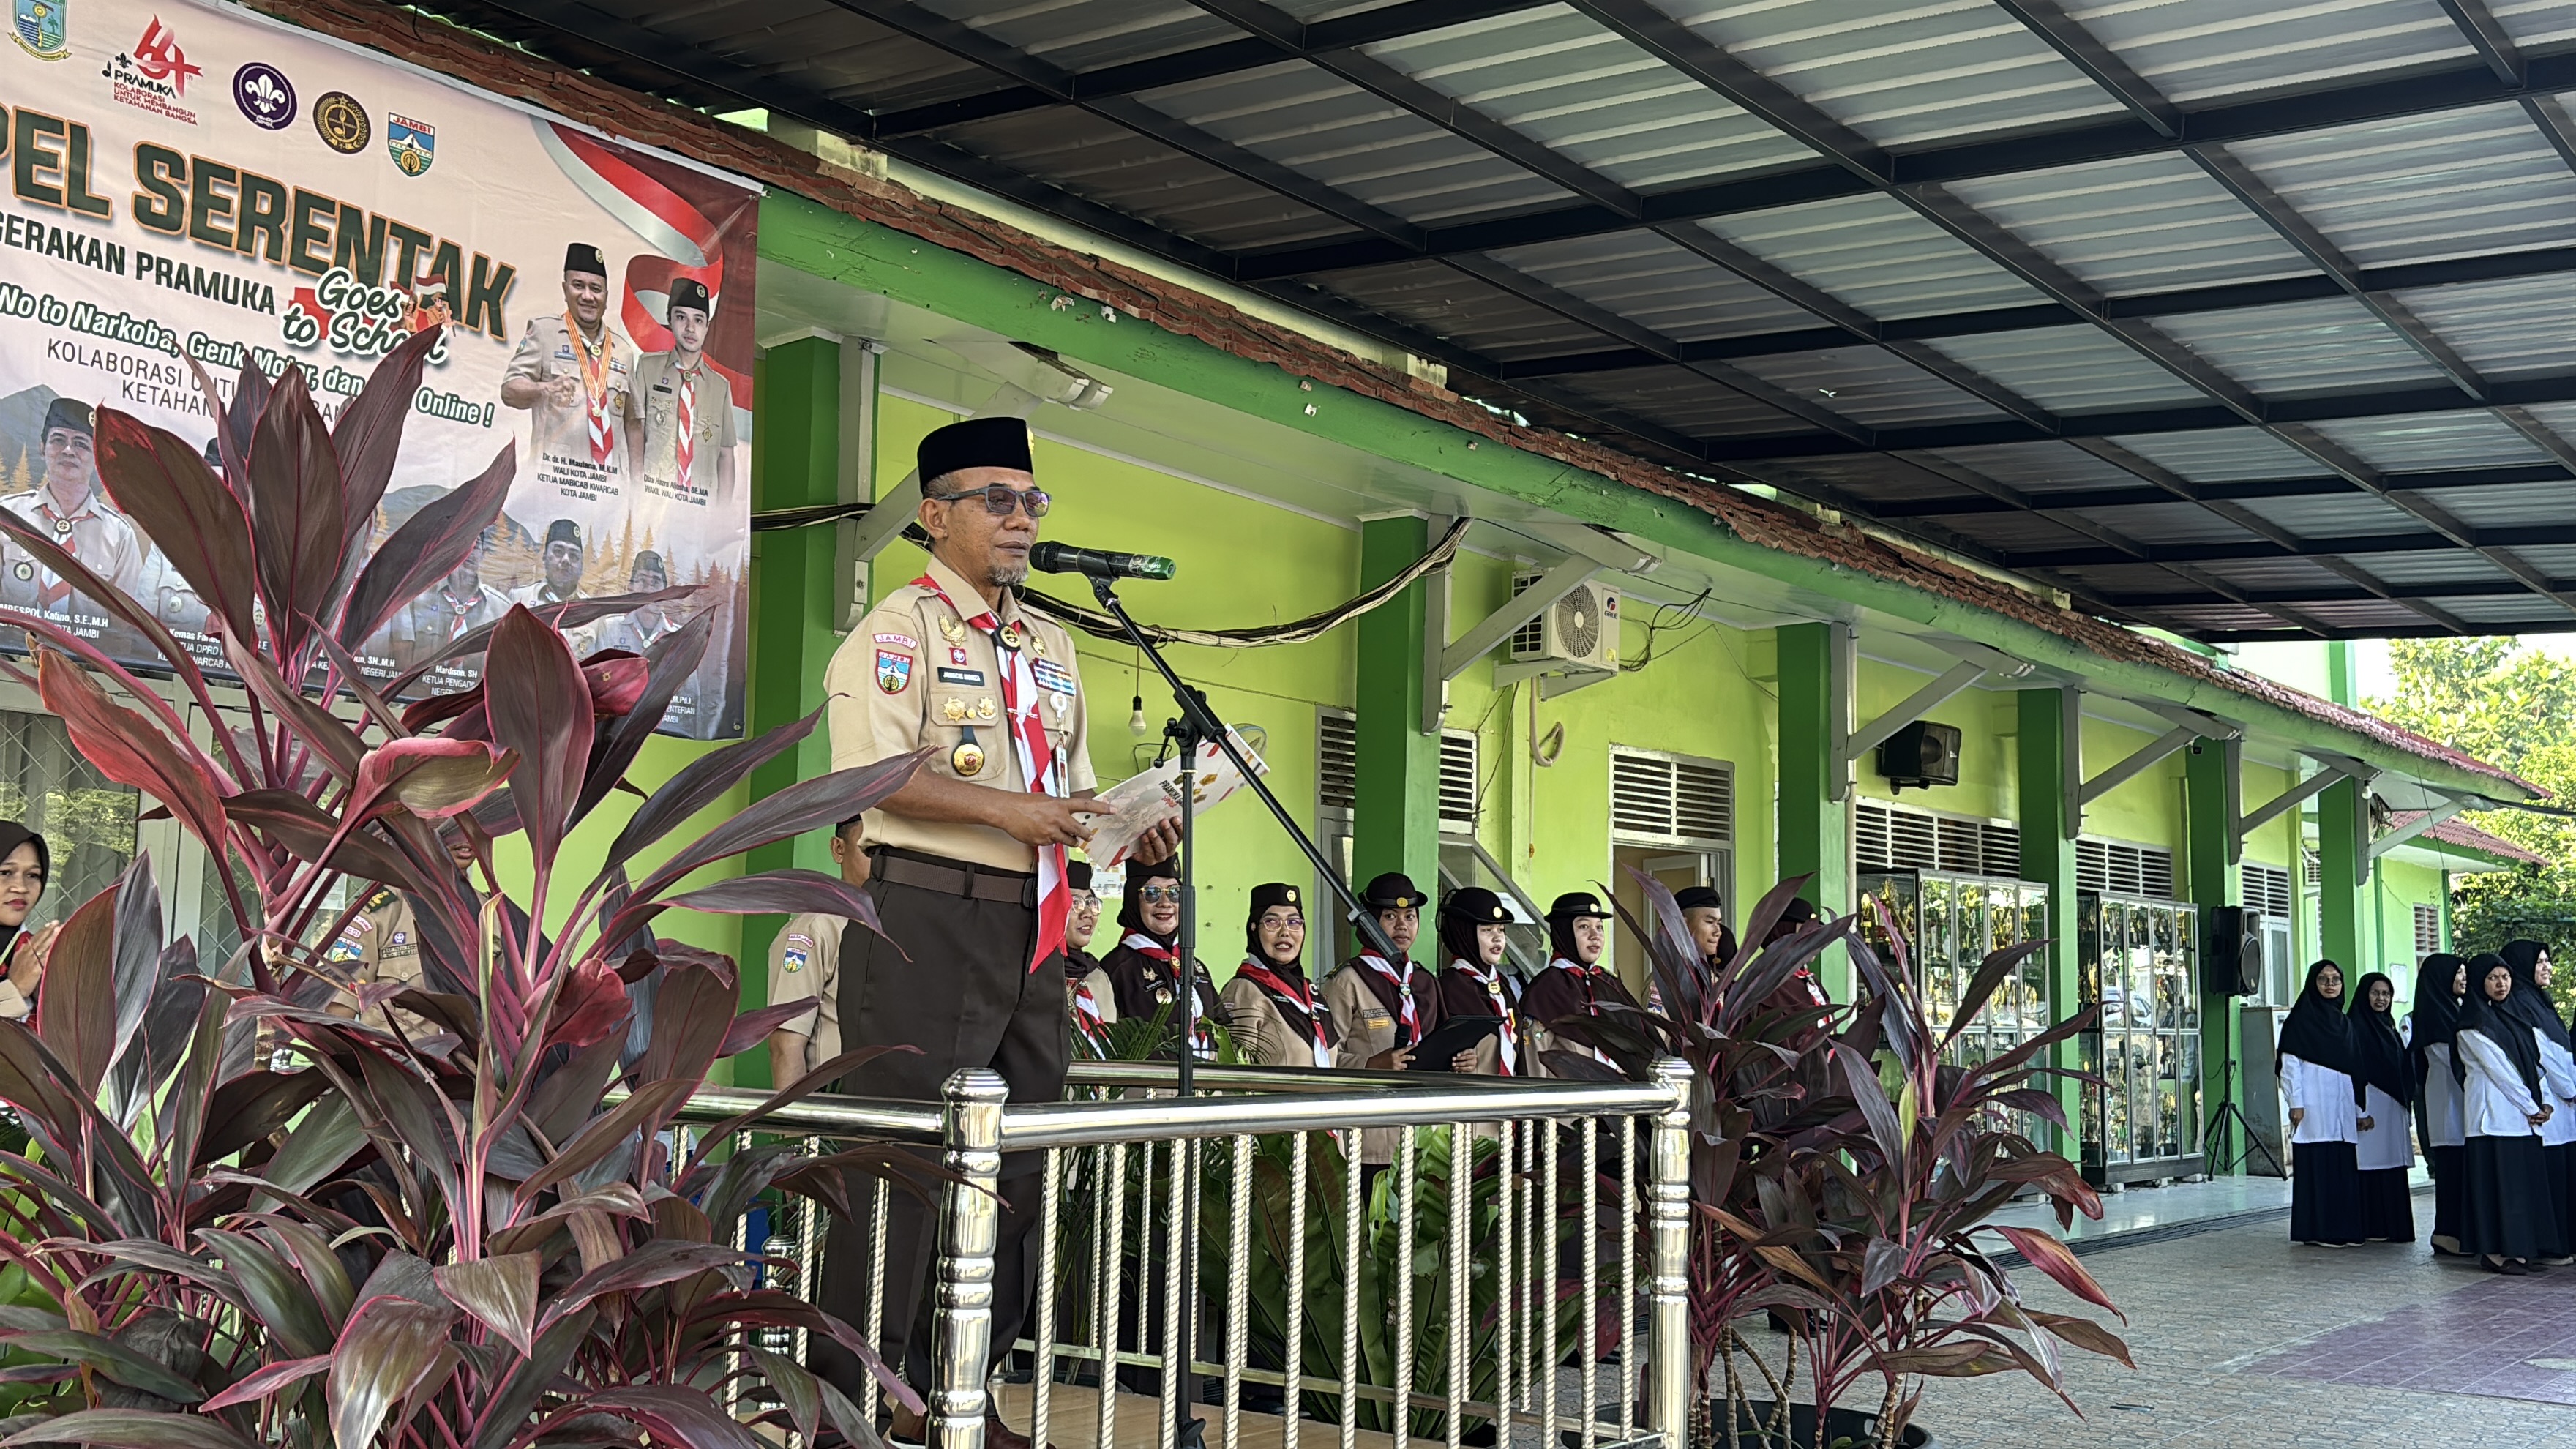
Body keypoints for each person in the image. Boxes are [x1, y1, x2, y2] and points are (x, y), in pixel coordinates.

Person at [816, 415, 1171, 1445]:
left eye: (1034, 502)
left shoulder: (1052, 645)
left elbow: (1069, 785)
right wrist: (1012, 814)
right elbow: (867, 777)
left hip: (1036, 930)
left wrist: (1131, 823)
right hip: (927, 914)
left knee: (1018, 1176)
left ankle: (956, 1398)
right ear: (935, 516)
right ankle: (847, 1408)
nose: (1021, 520)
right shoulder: (898, 630)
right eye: (997, 501)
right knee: (903, 1175)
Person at [501, 242, 637, 492]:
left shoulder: (624, 351)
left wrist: (637, 489)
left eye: (596, 289)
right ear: (565, 289)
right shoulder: (544, 333)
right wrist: (543, 390)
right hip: (557, 482)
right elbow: (509, 390)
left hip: (610, 490)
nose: (587, 296)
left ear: (606, 295)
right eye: (578, 286)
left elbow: (633, 423)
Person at [2456, 953, 2558, 1274]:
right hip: (2492, 1120)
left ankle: (2521, 1251)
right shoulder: (2472, 1024)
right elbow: (2501, 1071)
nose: (2501, 984)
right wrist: (2532, 1107)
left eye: (2506, 977)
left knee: (2519, 1189)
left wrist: (2544, 1102)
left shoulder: (2508, 1018)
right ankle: (2496, 1254)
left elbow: (2532, 1062)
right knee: (2497, 1190)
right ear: (2478, 982)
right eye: (2492, 978)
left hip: (2519, 1119)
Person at [1, 399, 146, 617]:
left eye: (81, 444)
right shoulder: (7, 516)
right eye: (58, 440)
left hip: (83, 651)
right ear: (42, 448)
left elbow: (125, 625)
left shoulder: (120, 537)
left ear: (96, 458)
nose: (68, 450)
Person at [763, 817, 869, 1087]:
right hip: (831, 1107)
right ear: (838, 849)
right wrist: (796, 1128)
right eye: (868, 851)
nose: (879, 864)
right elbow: (786, 1045)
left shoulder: (902, 929)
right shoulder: (815, 929)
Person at [2276, 959, 2365, 1247]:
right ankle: (2319, 1230)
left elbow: (2356, 1070)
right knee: (2318, 1166)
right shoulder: (2300, 1020)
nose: (2330, 985)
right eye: (2323, 979)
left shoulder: (2344, 1023)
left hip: (2340, 1105)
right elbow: (2290, 1065)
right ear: (2313, 983)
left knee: (2341, 1166)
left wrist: (2357, 1110)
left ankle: (2344, 1229)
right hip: (2313, 1107)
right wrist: (2296, 1103)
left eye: (2336, 980)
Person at [2500, 939, 2576, 1262]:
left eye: (2548, 961)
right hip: (2551, 1099)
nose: (2547, 967)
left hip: (2564, 1103)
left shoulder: (2539, 1001)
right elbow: (2542, 1053)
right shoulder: (2519, 1002)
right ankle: (2552, 1246)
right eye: (2540, 961)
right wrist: (2570, 1089)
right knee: (2552, 1177)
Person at [1098, 855, 1218, 1057]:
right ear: (1133, 900)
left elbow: (1223, 1029)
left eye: (1174, 893)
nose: (1165, 903)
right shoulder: (1117, 968)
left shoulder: (1195, 966)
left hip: (1206, 1085)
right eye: (1152, 893)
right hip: (1151, 1086)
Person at [632, 277, 738, 505]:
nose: (690, 328)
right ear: (669, 319)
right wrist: (636, 495)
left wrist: (722, 517)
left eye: (698, 320)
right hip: (655, 503)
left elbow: (725, 457)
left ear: (707, 326)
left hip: (700, 508)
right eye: (682, 317)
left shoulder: (720, 387)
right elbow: (634, 434)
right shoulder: (648, 369)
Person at [1521, 891, 1639, 1073]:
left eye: (1599, 927)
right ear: (1564, 932)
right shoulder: (1546, 989)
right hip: (1570, 1097)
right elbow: (1534, 1062)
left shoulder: (1609, 983)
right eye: (1584, 927)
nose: (1595, 936)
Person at [1222, 883, 1333, 1068]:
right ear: (1254, 929)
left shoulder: (1310, 994)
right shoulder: (1244, 990)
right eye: (1272, 922)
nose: (1285, 932)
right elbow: (1234, 1073)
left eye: (1294, 922)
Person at [2408, 954, 2469, 1255]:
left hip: (2459, 1102)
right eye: (2457, 972)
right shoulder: (2434, 1015)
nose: (2463, 977)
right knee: (2451, 1171)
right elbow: (2451, 1060)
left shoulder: (2453, 1009)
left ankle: (2459, 1232)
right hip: (2447, 1103)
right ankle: (2446, 1233)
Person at [2348, 972, 2416, 1243]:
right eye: (2375, 993)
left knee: (2391, 1165)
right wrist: (2359, 1110)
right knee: (2370, 1164)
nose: (2381, 999)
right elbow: (2353, 1070)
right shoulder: (2354, 1027)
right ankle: (2372, 1226)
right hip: (2370, 1105)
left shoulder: (2389, 1028)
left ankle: (2392, 1227)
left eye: (2386, 994)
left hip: (2393, 1107)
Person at [1436, 886, 1520, 1076]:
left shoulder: (1501, 984)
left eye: (1501, 930)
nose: (1498, 938)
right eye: (1487, 930)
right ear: (1464, 934)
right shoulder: (1449, 987)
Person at [0, 823, 59, 1022]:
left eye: (32, 875)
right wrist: (14, 990)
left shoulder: (42, 956)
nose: (21, 887)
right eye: (6, 872)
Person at [591, 552, 688, 656]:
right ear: (631, 587)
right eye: (642, 580)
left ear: (665, 591)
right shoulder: (610, 628)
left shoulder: (680, 636)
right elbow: (599, 670)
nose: (649, 589)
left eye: (656, 582)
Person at [1063, 861, 1114, 1057]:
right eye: (1074, 903)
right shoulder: (1034, 973)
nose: (1087, 914)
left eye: (1091, 903)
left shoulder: (1097, 977)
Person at [512, 520, 588, 610]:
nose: (566, 560)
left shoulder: (592, 610)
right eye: (558, 551)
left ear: (581, 565)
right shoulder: (519, 599)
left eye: (573, 555)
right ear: (545, 557)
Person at [1675, 884, 1738, 967]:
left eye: (1718, 923)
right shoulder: (1666, 970)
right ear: (1683, 924)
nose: (1718, 932)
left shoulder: (1725, 946)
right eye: (1710, 922)